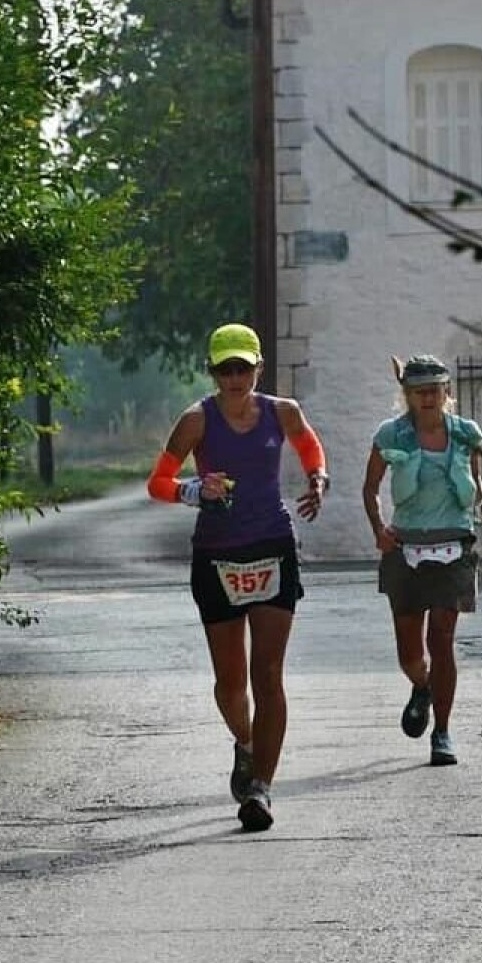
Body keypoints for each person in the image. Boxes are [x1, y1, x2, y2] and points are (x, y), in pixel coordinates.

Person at [146, 323, 329, 832]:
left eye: (242, 368)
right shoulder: (195, 422)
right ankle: (245, 744)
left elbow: (311, 448)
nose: (234, 378)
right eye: (225, 369)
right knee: (230, 682)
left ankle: (261, 790)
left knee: (266, 675)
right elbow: (157, 483)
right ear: (212, 371)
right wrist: (192, 490)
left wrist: (318, 480)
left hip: (272, 546)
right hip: (217, 555)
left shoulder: (281, 411)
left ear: (258, 368)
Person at [361, 354, 482, 766]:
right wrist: (379, 528)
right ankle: (421, 686)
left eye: (434, 389)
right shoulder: (391, 435)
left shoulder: (465, 435)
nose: (427, 397)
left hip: (455, 546)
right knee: (410, 654)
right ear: (406, 395)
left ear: (447, 392)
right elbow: (370, 488)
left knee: (441, 640)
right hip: (404, 551)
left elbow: (477, 482)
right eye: (418, 391)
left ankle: (442, 732)